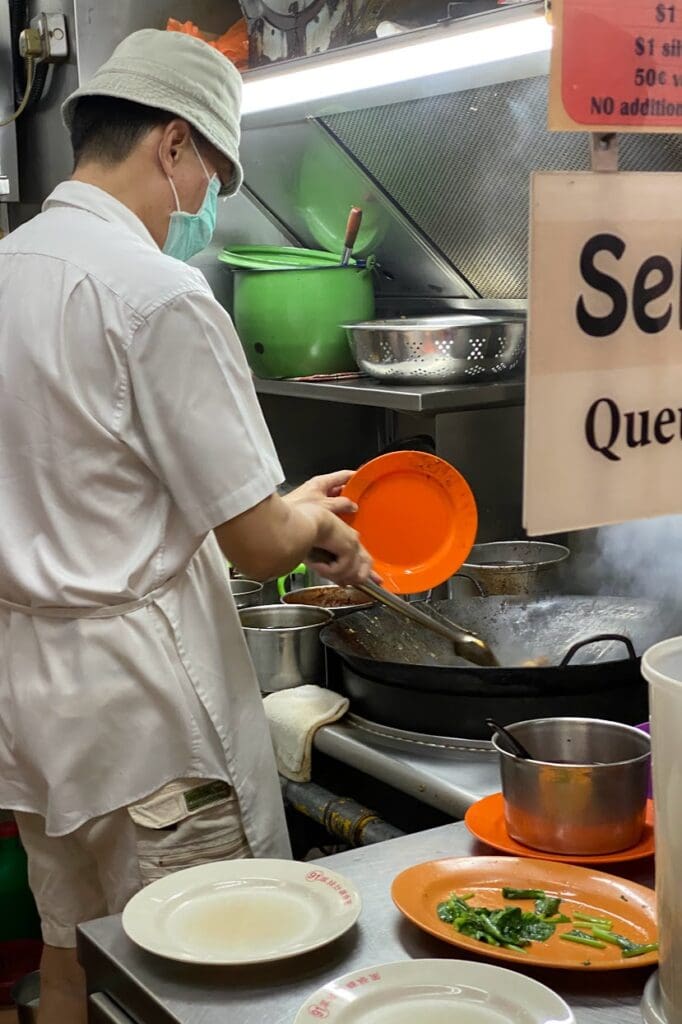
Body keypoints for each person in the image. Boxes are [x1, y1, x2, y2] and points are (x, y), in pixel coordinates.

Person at [0, 28, 374, 1024]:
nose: (208, 203)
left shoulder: (10, 266)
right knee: (219, 981)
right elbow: (255, 543)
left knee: (71, 950)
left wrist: (286, 511)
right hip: (149, 721)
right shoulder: (158, 294)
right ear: (172, 145)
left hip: (36, 706)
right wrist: (309, 522)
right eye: (212, 171)